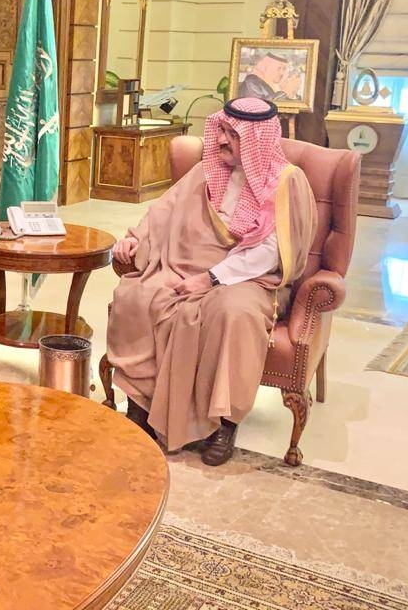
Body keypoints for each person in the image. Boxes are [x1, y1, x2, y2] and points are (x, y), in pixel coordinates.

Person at [106, 97, 316, 466]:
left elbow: (272, 252)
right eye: (220, 129)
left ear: (256, 140)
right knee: (138, 295)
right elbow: (163, 213)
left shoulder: (285, 184)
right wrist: (135, 240)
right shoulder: (207, 171)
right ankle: (139, 407)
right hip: (183, 264)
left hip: (248, 278)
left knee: (231, 314)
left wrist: (212, 278)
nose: (220, 140)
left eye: (232, 135)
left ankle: (224, 422)